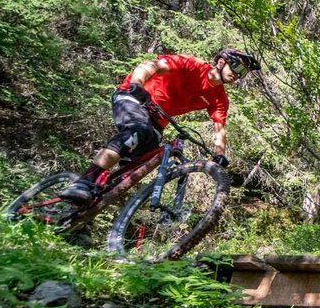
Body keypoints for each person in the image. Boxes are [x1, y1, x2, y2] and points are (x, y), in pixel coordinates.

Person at [59, 48, 261, 205]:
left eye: (243, 72)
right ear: (221, 62)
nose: (238, 74)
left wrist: (219, 154)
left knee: (135, 171)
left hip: (158, 120)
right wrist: (137, 84)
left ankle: (82, 215)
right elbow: (151, 65)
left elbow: (219, 128)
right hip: (134, 98)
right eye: (236, 67)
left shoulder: (220, 99)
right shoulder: (192, 64)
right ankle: (84, 181)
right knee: (137, 131)